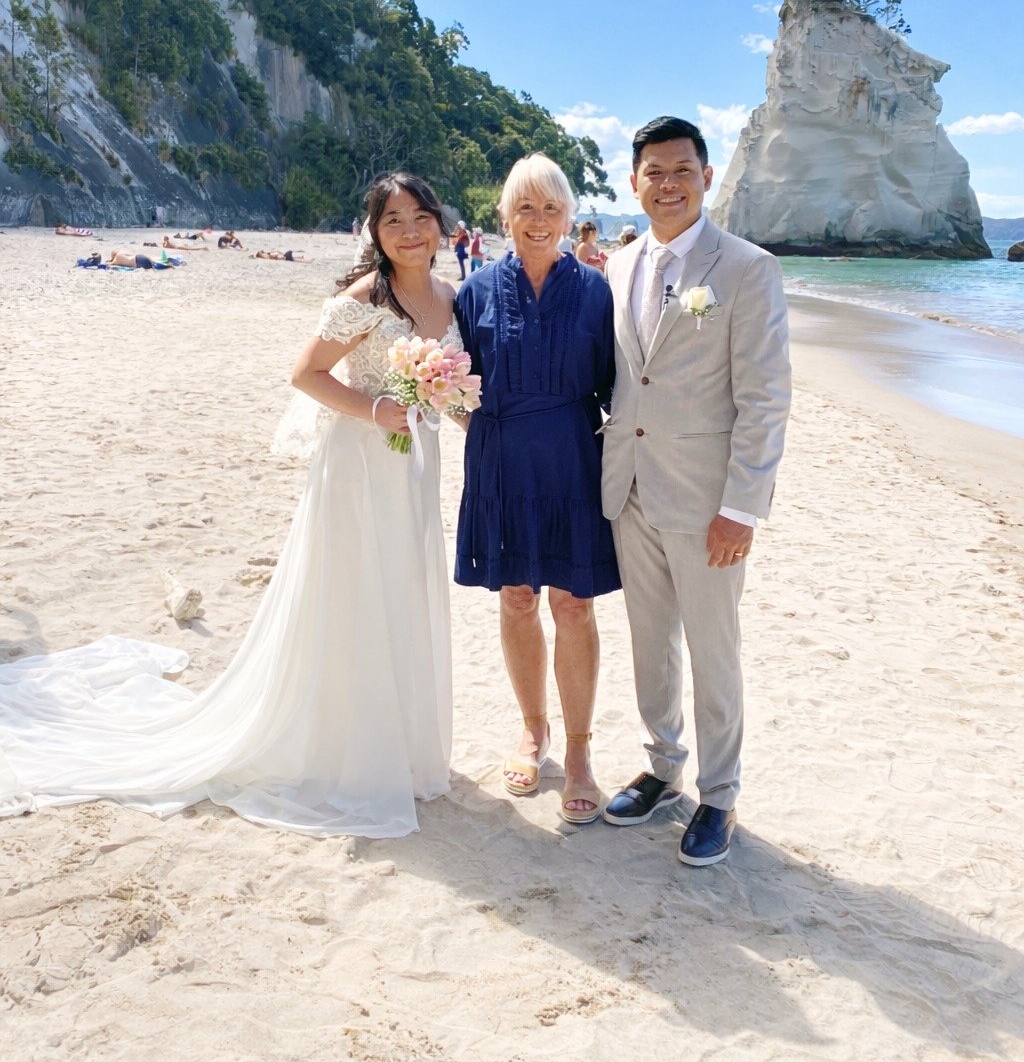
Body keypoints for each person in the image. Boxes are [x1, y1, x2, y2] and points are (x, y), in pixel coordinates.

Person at [0, 173, 460, 838]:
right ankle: (349, 747)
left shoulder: (451, 296)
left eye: (421, 216)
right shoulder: (366, 297)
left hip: (413, 465)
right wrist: (376, 410)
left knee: (403, 589)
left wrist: (450, 403)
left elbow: (455, 388)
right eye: (394, 220)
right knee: (356, 593)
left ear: (439, 224)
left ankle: (400, 742)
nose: (410, 231)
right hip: (358, 465)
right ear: (376, 232)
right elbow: (305, 374)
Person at [600, 117, 791, 866]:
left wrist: (741, 508)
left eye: (683, 169)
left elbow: (765, 399)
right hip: (630, 489)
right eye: (655, 171)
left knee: (715, 651)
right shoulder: (618, 265)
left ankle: (720, 794)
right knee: (650, 643)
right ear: (635, 182)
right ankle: (662, 767)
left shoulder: (747, 268)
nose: (669, 183)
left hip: (708, 500)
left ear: (707, 178)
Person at [455, 153, 620, 825]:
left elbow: (616, 386)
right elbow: (456, 382)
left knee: (574, 604)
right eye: (525, 206)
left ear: (569, 217)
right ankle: (533, 730)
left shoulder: (595, 291)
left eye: (552, 207)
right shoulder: (474, 292)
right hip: (500, 461)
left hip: (572, 459)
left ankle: (578, 750)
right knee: (517, 598)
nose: (539, 219)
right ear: (505, 216)